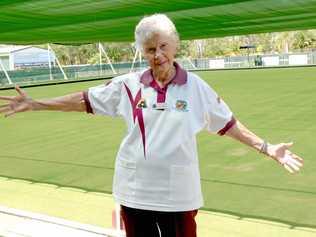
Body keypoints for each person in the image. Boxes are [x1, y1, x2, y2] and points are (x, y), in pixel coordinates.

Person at [0, 14, 303, 237]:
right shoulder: (128, 85)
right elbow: (84, 100)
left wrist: (267, 149)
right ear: (142, 52)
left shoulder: (196, 88)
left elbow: (229, 124)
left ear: (175, 46)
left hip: (178, 196)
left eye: (163, 46)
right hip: (135, 193)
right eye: (149, 50)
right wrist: (36, 103)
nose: (157, 55)